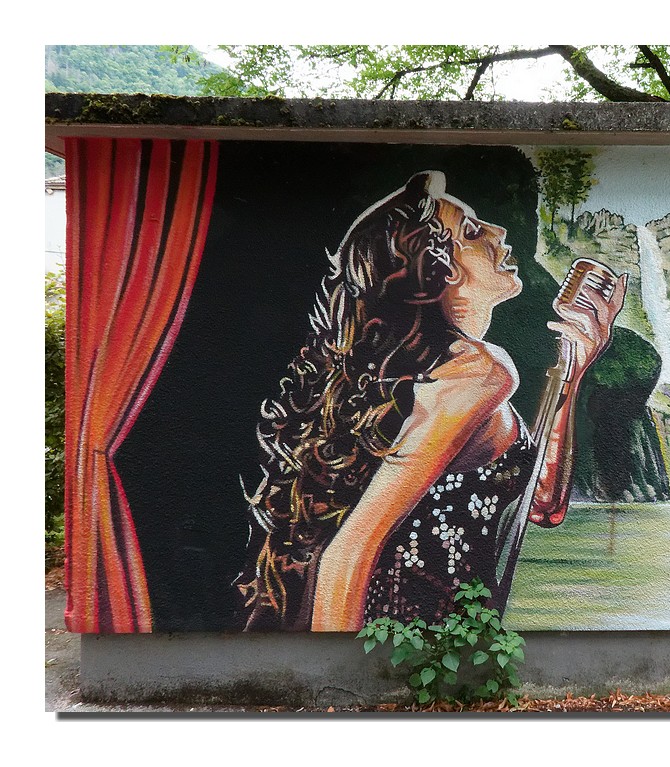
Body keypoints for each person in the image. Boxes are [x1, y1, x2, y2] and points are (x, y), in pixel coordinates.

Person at [235, 170, 626, 631]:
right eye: (473, 231)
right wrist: (340, 671)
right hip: (404, 640)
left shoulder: (457, 374)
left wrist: (574, 364)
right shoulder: (476, 374)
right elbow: (348, 553)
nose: (499, 232)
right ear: (443, 268)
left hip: (438, 644)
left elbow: (541, 504)